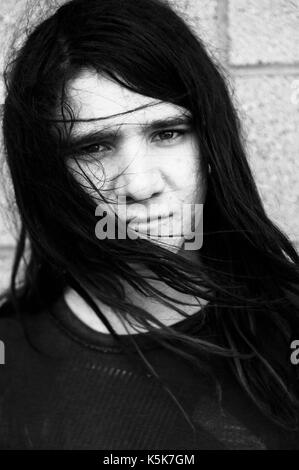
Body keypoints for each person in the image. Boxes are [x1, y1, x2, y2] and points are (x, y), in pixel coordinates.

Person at [0, 0, 299, 450]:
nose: (140, 184)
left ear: (211, 143)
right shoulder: (12, 363)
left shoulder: (289, 326)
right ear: (49, 173)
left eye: (167, 132)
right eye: (94, 146)